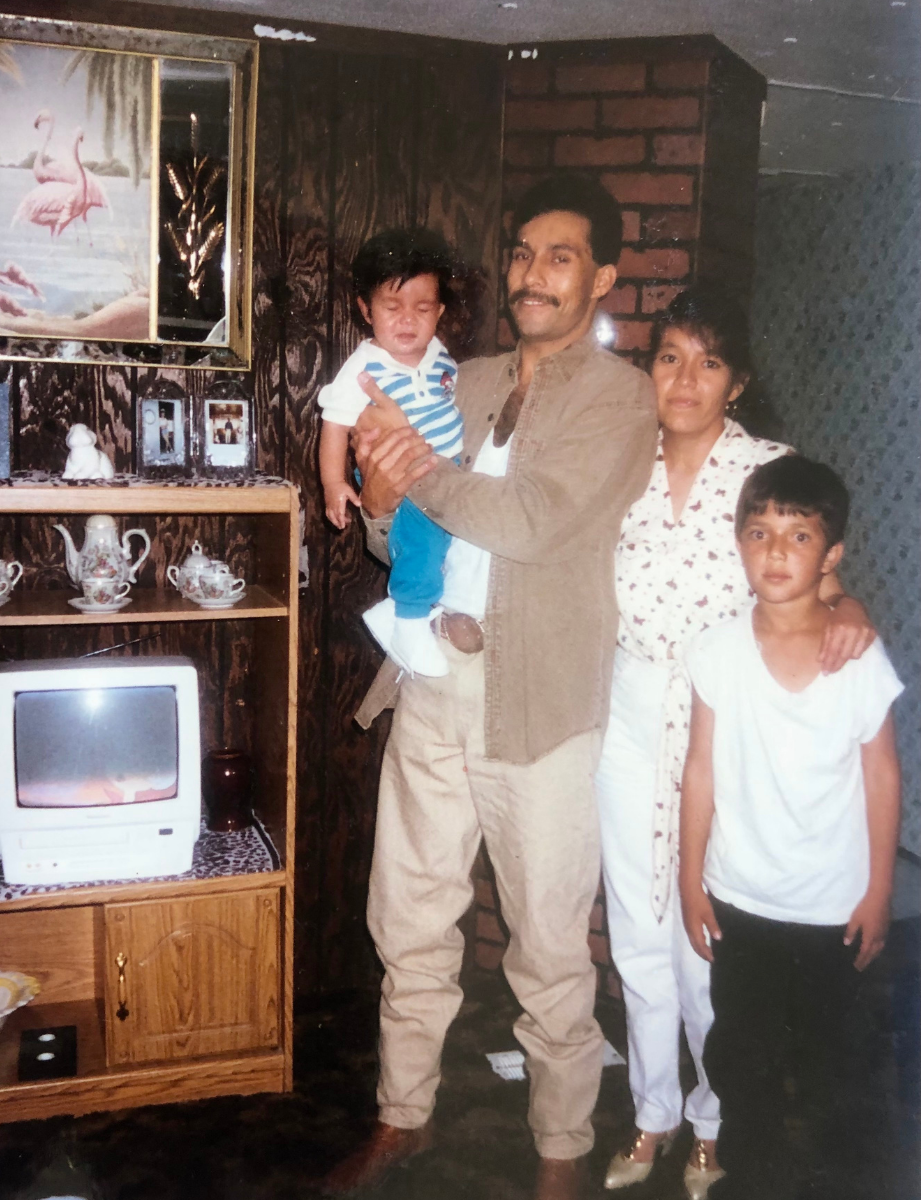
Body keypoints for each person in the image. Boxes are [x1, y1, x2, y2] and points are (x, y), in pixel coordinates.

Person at [326, 175, 657, 1200]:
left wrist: (410, 474)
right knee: (409, 916)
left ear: (601, 276)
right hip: (431, 682)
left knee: (550, 941)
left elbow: (529, 522)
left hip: (539, 705)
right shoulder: (461, 378)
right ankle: (403, 1117)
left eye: (560, 257)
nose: (533, 274)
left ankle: (561, 1149)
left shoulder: (618, 399)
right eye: (520, 254)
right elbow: (396, 528)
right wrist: (382, 504)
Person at [594, 289, 877, 1199]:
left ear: (738, 381)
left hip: (727, 719)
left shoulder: (767, 467)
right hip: (630, 707)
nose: (683, 379)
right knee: (636, 926)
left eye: (707, 362)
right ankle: (651, 1113)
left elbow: (822, 571)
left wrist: (852, 609)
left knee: (704, 934)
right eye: (668, 356)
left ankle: (713, 1126)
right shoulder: (615, 465)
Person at [678, 457, 904, 1200]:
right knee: (741, 1061)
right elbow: (701, 770)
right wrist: (689, 879)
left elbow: (881, 777)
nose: (776, 552)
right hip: (743, 901)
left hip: (832, 910)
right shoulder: (716, 649)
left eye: (798, 535)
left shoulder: (857, 658)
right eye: (759, 533)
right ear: (738, 544)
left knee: (837, 1066)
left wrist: (880, 893)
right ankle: (755, 1179)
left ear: (831, 556)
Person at [317, 226, 465, 677]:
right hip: (398, 470)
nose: (407, 321)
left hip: (447, 469)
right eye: (392, 307)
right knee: (423, 544)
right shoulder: (363, 367)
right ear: (366, 309)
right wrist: (333, 483)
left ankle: (416, 608)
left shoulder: (439, 354)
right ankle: (408, 619)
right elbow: (334, 425)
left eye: (422, 308)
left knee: (448, 548)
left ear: (439, 312)